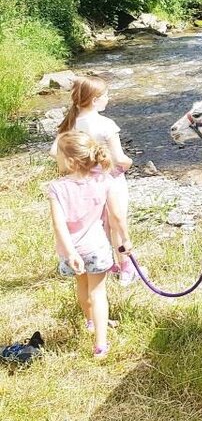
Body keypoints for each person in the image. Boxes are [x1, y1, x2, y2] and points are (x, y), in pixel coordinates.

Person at [48, 131, 131, 358]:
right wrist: (125, 239)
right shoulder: (105, 181)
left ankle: (89, 321)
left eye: (60, 155)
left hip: (71, 249)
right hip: (96, 247)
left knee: (82, 287)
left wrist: (71, 252)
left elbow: (59, 225)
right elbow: (116, 216)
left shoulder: (56, 187)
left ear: (71, 161)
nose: (56, 157)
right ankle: (101, 345)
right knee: (98, 292)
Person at [50, 76, 136, 285]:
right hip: (110, 179)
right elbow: (119, 158)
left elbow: (54, 152)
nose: (108, 98)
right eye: (106, 95)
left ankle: (108, 264)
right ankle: (125, 267)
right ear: (95, 99)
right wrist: (129, 162)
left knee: (98, 225)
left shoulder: (70, 123)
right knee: (116, 221)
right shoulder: (106, 124)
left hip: (84, 180)